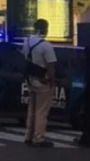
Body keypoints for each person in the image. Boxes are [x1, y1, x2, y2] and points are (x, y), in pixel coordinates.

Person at [22, 18, 57, 148]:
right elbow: (51, 66)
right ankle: (39, 137)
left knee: (31, 108)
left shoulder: (27, 41)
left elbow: (24, 58)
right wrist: (51, 82)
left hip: (30, 78)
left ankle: (28, 135)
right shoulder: (46, 45)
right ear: (45, 29)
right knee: (41, 111)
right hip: (42, 80)